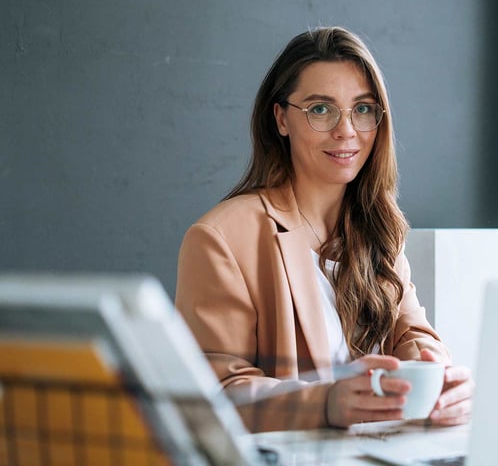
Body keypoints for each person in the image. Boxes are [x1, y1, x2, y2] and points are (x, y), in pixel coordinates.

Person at [175, 25, 473, 432]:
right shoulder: (221, 238)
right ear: (281, 118)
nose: (346, 130)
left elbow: (412, 332)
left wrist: (439, 378)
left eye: (363, 109)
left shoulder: (380, 227)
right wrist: (327, 401)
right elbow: (213, 395)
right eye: (320, 109)